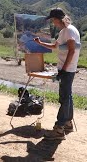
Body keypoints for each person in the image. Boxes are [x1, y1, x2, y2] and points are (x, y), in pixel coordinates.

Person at [33, 8, 81, 140]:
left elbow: (71, 51)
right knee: (67, 96)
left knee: (64, 98)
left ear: (59, 19)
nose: (53, 23)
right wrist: (40, 43)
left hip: (67, 69)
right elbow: (55, 46)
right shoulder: (64, 31)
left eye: (53, 20)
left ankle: (59, 129)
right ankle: (67, 123)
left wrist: (64, 70)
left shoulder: (70, 31)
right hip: (65, 69)